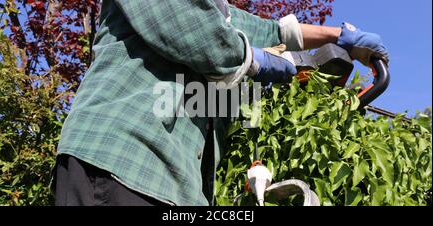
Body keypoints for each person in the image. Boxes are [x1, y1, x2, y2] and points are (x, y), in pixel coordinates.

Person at [52, 0, 389, 206]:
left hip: (180, 184)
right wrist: (256, 61)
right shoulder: (198, 14)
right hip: (122, 160)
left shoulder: (216, 9)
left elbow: (271, 32)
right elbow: (200, 37)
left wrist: (339, 37)